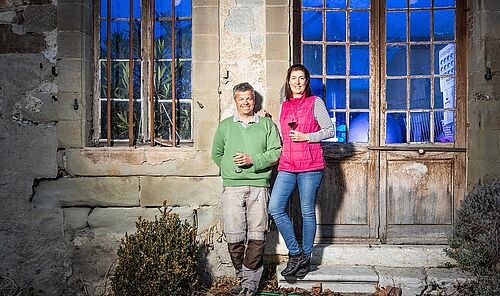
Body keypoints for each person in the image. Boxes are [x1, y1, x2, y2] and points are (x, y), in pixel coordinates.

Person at [211, 82, 282, 296]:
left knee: (257, 235)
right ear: (235, 101)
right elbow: (217, 153)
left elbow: (276, 152)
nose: (245, 102)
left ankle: (250, 285)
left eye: (249, 98)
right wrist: (231, 169)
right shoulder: (225, 126)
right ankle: (243, 278)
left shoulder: (266, 125)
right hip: (232, 186)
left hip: (259, 186)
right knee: (234, 235)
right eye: (241, 99)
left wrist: (253, 160)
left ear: (254, 100)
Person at [268, 64, 335, 278]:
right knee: (275, 207)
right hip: (287, 164)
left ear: (307, 82)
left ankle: (306, 257)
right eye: (293, 78)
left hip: (310, 165)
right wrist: (266, 120)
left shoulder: (316, 103)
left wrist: (308, 137)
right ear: (288, 82)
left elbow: (330, 130)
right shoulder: (284, 105)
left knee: (307, 212)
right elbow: (282, 135)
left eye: (302, 78)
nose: (297, 82)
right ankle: (296, 253)